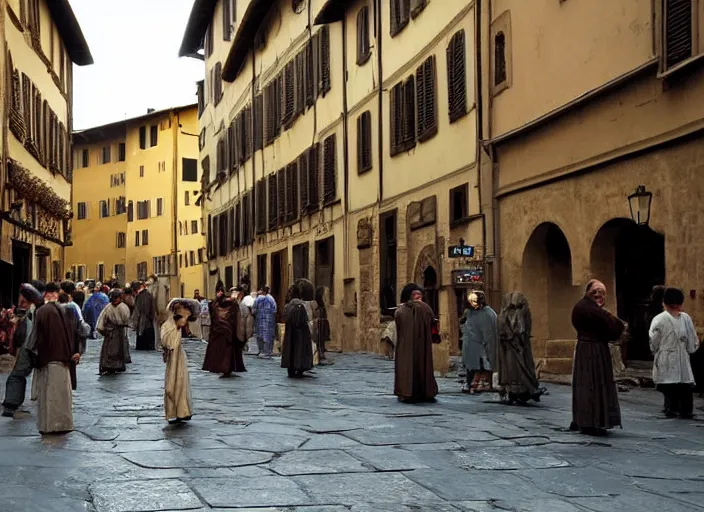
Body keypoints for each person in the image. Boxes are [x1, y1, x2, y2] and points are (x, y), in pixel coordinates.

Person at [570, 279, 625, 436]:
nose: (599, 295)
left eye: (602, 292)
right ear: (589, 292)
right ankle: (590, 421)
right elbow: (615, 327)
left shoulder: (587, 307)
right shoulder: (588, 309)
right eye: (596, 292)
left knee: (593, 384)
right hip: (592, 350)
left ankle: (591, 420)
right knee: (590, 385)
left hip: (594, 348)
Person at [29, 282, 80, 435]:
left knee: (50, 396)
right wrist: (75, 352)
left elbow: (35, 338)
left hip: (49, 357)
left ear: (46, 294)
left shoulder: (42, 311)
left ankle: (50, 426)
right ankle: (63, 424)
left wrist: (32, 354)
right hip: (65, 358)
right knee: (63, 396)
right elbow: (76, 332)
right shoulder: (68, 310)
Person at [649, 287, 700, 419]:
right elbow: (693, 340)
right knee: (677, 382)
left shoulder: (660, 319)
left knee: (672, 383)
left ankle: (673, 408)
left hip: (670, 355)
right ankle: (680, 408)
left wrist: (655, 350)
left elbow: (654, 340)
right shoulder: (680, 319)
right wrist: (690, 349)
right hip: (675, 355)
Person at [2, 283, 44, 418]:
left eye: (24, 302)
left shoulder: (33, 313)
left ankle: (11, 404)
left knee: (17, 376)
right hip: (27, 347)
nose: (21, 304)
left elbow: (27, 335)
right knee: (17, 376)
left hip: (27, 348)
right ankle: (12, 403)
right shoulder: (32, 312)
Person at [495, 292, 545, 405]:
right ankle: (519, 391)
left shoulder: (510, 313)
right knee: (517, 369)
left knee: (519, 368)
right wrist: (517, 341)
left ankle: (521, 391)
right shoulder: (512, 314)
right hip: (514, 346)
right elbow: (518, 329)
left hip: (515, 346)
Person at [394, 283, 438, 403]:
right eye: (416, 295)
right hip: (411, 345)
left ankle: (408, 392)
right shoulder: (424, 308)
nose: (418, 297)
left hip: (412, 345)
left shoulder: (402, 310)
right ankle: (418, 392)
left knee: (410, 366)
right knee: (413, 365)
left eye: (419, 295)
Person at [161, 300, 195, 424]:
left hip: (179, 358)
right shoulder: (168, 326)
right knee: (171, 386)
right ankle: (173, 412)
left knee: (181, 383)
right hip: (172, 359)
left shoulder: (176, 328)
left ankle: (182, 411)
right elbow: (167, 342)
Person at [460, 291, 497, 394]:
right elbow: (465, 324)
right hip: (471, 344)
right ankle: (470, 383)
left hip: (483, 344)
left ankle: (485, 383)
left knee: (484, 365)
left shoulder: (489, 313)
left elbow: (490, 330)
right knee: (471, 365)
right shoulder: (469, 312)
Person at [202, 294, 246, 377]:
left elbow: (212, 307)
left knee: (223, 352)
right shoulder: (232, 307)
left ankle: (224, 368)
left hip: (223, 334)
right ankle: (226, 368)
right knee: (227, 353)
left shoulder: (217, 307)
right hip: (228, 334)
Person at [281, 279, 314, 378]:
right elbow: (302, 321)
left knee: (290, 350)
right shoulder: (300, 306)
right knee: (299, 351)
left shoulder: (287, 306)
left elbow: (285, 318)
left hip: (289, 333)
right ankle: (300, 367)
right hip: (300, 334)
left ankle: (290, 368)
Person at [97, 289, 131, 376]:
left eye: (116, 298)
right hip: (110, 332)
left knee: (119, 350)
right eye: (113, 298)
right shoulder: (108, 307)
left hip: (119, 332)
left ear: (120, 298)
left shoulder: (123, 307)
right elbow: (102, 319)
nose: (115, 300)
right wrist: (101, 329)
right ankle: (108, 366)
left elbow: (126, 319)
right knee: (108, 351)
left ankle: (118, 366)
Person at [253, 285, 277, 358]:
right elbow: (274, 310)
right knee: (268, 336)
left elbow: (253, 310)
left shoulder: (258, 299)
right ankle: (267, 352)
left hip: (259, 321)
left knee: (260, 336)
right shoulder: (271, 299)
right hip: (269, 321)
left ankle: (261, 351)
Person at [132, 281, 156, 350]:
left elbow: (143, 308)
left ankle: (145, 346)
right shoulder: (147, 294)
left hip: (144, 319)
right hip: (146, 319)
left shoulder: (142, 295)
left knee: (144, 333)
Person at [311, 287, 331, 364]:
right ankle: (319, 355)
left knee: (321, 340)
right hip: (319, 323)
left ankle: (321, 354)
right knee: (319, 340)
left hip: (323, 322)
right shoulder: (317, 303)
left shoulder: (321, 304)